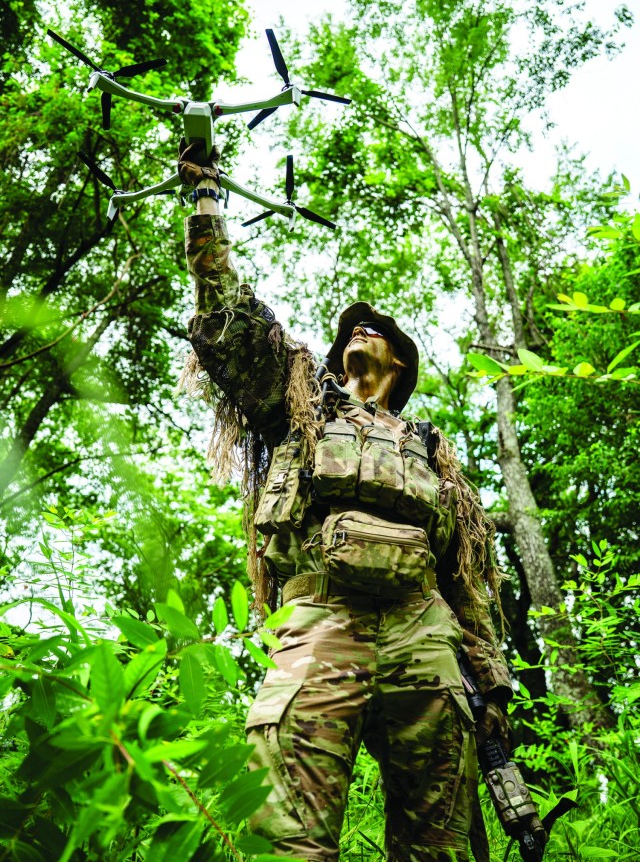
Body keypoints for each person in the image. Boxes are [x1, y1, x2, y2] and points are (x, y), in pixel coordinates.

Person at [178, 145, 513, 862]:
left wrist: (491, 689)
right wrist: (206, 199)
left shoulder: (430, 447)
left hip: (424, 635)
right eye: (351, 331)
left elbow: (466, 582)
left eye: (378, 331)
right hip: (321, 619)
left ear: (399, 363)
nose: (361, 331)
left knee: (439, 849)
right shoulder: (296, 401)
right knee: (287, 838)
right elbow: (229, 323)